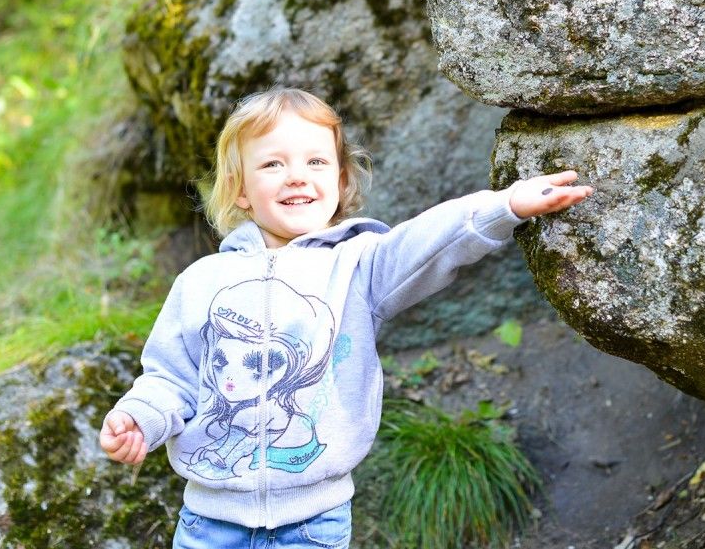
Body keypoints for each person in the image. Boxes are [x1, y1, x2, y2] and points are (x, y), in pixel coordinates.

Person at [100, 87, 592, 549]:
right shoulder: (201, 281)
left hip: (314, 523)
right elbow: (171, 378)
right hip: (209, 524)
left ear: (340, 181)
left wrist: (504, 207)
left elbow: (424, 242)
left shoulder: (359, 266)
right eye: (272, 164)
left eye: (315, 161)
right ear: (240, 189)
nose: (296, 176)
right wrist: (140, 418)